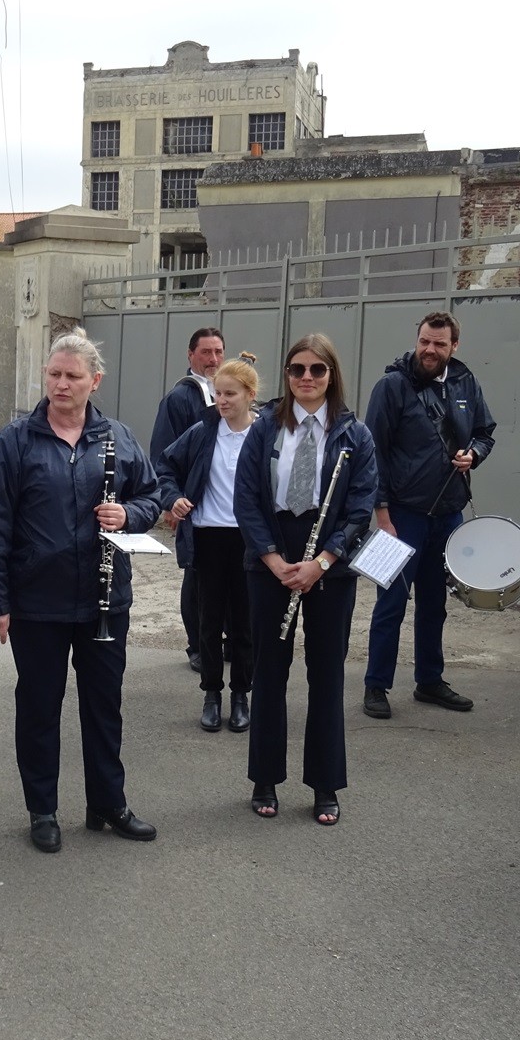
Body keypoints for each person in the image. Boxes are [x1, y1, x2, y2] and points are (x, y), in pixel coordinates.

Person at [0, 330, 165, 854]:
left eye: (72, 376)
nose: (60, 383)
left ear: (94, 381)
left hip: (105, 599)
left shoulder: (118, 438)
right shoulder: (15, 441)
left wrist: (130, 513)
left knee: (104, 705)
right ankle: (43, 809)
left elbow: (152, 496)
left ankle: (108, 801)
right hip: (38, 601)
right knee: (39, 707)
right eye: (54, 374)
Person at [235, 334, 377, 822]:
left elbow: (361, 508)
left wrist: (323, 562)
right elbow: (246, 500)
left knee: (327, 676)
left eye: (318, 370)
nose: (307, 379)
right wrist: (274, 560)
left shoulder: (354, 434)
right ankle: (264, 779)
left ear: (331, 375)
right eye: (297, 370)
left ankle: (325, 785)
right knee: (269, 673)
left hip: (328, 564)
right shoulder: (264, 429)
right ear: (287, 375)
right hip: (271, 556)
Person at [361, 311, 496, 719]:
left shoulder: (465, 381)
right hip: (402, 515)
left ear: (454, 346)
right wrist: (381, 514)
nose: (430, 350)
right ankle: (376, 686)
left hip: (448, 514)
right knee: (391, 603)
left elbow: (485, 433)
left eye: (439, 344)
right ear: (416, 340)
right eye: (425, 341)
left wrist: (473, 455)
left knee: (435, 603)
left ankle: (430, 681)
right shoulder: (392, 386)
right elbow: (373, 454)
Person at [158, 356, 259, 735]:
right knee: (209, 620)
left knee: (245, 623)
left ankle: (241, 696)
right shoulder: (203, 431)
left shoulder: (265, 435)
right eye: (218, 393)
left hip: (249, 540)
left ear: (250, 395)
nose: (222, 400)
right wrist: (174, 498)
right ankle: (212, 696)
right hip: (208, 536)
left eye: (230, 394)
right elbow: (166, 466)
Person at [151, 327, 226, 674]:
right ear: (190, 355)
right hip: (192, 502)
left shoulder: (228, 391)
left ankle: (219, 638)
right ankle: (197, 644)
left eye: (218, 352)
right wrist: (170, 501)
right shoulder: (180, 398)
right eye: (206, 352)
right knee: (196, 575)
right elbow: (164, 453)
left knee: (225, 575)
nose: (213, 359)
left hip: (225, 504)